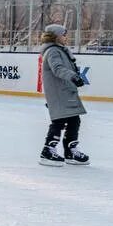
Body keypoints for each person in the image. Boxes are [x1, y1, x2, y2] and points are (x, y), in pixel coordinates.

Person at [39, 23, 90, 167]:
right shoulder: (53, 51)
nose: (66, 37)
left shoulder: (60, 50)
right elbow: (58, 68)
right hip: (58, 92)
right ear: (56, 36)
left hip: (65, 91)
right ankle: (48, 151)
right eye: (64, 35)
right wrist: (73, 76)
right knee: (59, 121)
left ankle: (70, 151)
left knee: (74, 120)